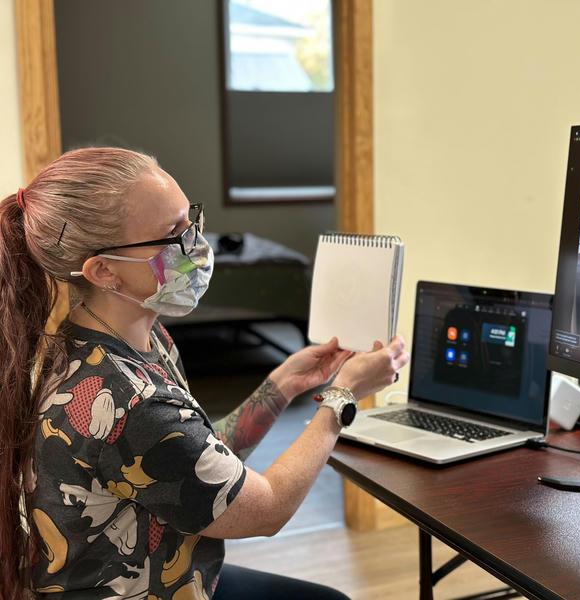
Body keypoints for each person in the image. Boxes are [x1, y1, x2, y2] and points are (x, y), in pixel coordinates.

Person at [0, 147, 410, 599]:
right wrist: (343, 396)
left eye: (190, 220)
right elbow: (268, 509)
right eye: (171, 235)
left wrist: (282, 386)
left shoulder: (125, 338)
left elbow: (197, 462)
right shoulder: (133, 401)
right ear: (104, 272)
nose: (196, 244)